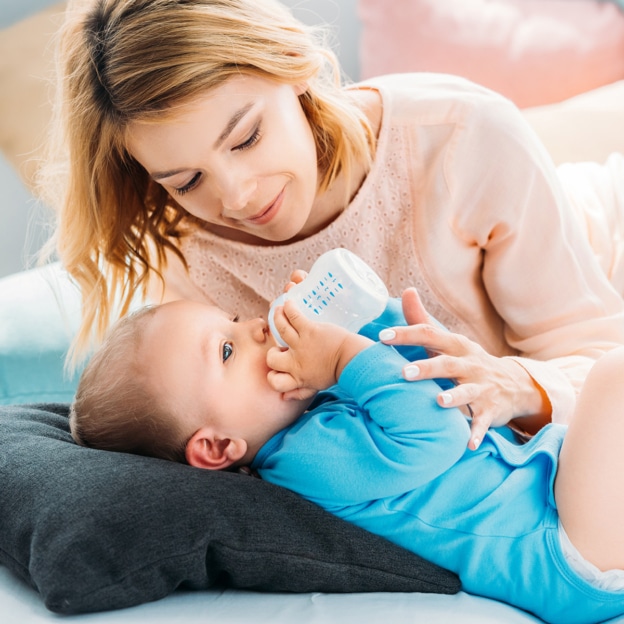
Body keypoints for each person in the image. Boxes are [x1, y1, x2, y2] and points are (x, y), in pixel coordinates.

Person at [42, 0, 624, 445]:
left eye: (246, 137)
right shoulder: (187, 253)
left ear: (296, 69)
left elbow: (599, 359)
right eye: (186, 181)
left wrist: (514, 385)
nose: (237, 197)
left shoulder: (460, 137)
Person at [69, 290, 624, 624]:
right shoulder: (305, 462)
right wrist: (340, 354)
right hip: (563, 555)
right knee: (613, 377)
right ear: (217, 448)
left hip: (553, 490)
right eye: (229, 348)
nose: (257, 327)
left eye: (235, 318)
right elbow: (436, 434)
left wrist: (359, 318)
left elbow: (410, 374)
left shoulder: (313, 411)